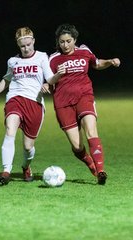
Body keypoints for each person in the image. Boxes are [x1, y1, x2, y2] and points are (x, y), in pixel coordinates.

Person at [0, 27, 63, 186]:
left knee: (27, 147)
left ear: (33, 41)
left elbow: (50, 79)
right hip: (15, 99)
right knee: (9, 130)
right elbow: (6, 80)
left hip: (34, 103)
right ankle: (6, 171)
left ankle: (26, 166)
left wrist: (53, 79)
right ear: (18, 46)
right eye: (22, 46)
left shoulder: (41, 57)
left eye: (28, 44)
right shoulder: (13, 61)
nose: (26, 48)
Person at [49, 23, 121, 185]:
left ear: (75, 40)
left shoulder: (84, 51)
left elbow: (96, 63)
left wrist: (109, 61)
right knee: (77, 145)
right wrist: (48, 84)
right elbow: (47, 79)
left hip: (84, 96)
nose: (65, 45)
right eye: (62, 42)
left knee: (91, 130)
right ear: (58, 42)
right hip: (63, 103)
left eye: (68, 41)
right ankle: (90, 163)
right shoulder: (53, 59)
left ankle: (101, 170)